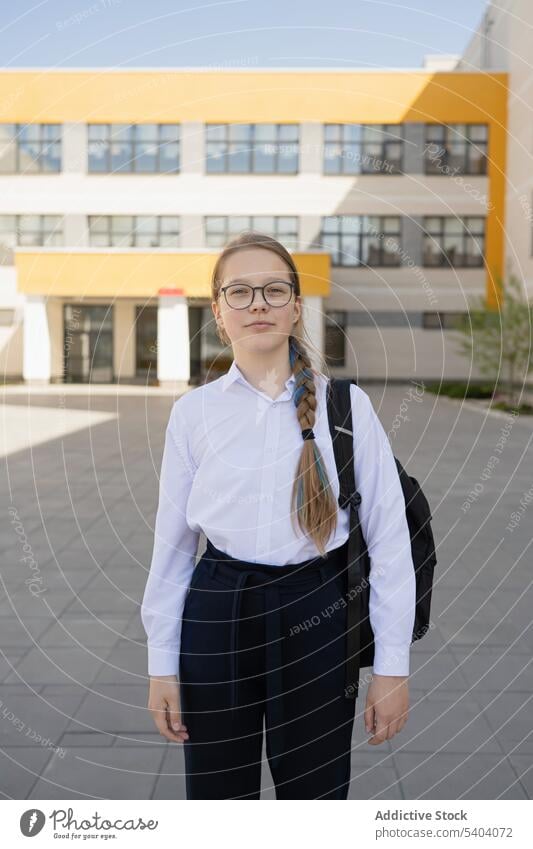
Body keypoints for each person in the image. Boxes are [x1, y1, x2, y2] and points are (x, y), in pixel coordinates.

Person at [141, 231, 416, 800]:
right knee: (219, 806)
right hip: (218, 614)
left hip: (318, 610)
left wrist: (392, 667)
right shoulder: (193, 414)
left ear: (296, 306)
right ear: (218, 311)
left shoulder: (346, 406)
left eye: (273, 289)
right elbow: (171, 550)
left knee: (314, 802)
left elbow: (390, 544)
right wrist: (161, 665)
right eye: (239, 292)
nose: (258, 303)